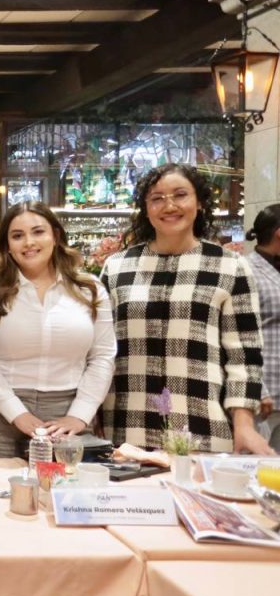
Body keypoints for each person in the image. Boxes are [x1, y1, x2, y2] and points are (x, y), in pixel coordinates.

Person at [100, 163, 274, 455]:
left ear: (200, 202)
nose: (169, 206)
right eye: (157, 198)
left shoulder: (229, 266)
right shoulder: (117, 267)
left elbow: (244, 356)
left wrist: (244, 424)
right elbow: (100, 351)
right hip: (125, 425)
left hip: (203, 426)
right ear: (146, 209)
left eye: (180, 195)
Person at [0, 201, 116, 459]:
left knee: (67, 484)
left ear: (55, 236)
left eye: (38, 232)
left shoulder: (90, 289)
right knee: (1, 484)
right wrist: (16, 413)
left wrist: (80, 414)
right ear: (7, 245)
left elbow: (103, 356)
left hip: (70, 411)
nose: (29, 242)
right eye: (18, 236)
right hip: (2, 415)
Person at [246, 204, 280, 450]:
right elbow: (242, 335)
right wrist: (258, 388)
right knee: (259, 463)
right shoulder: (247, 270)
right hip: (265, 395)